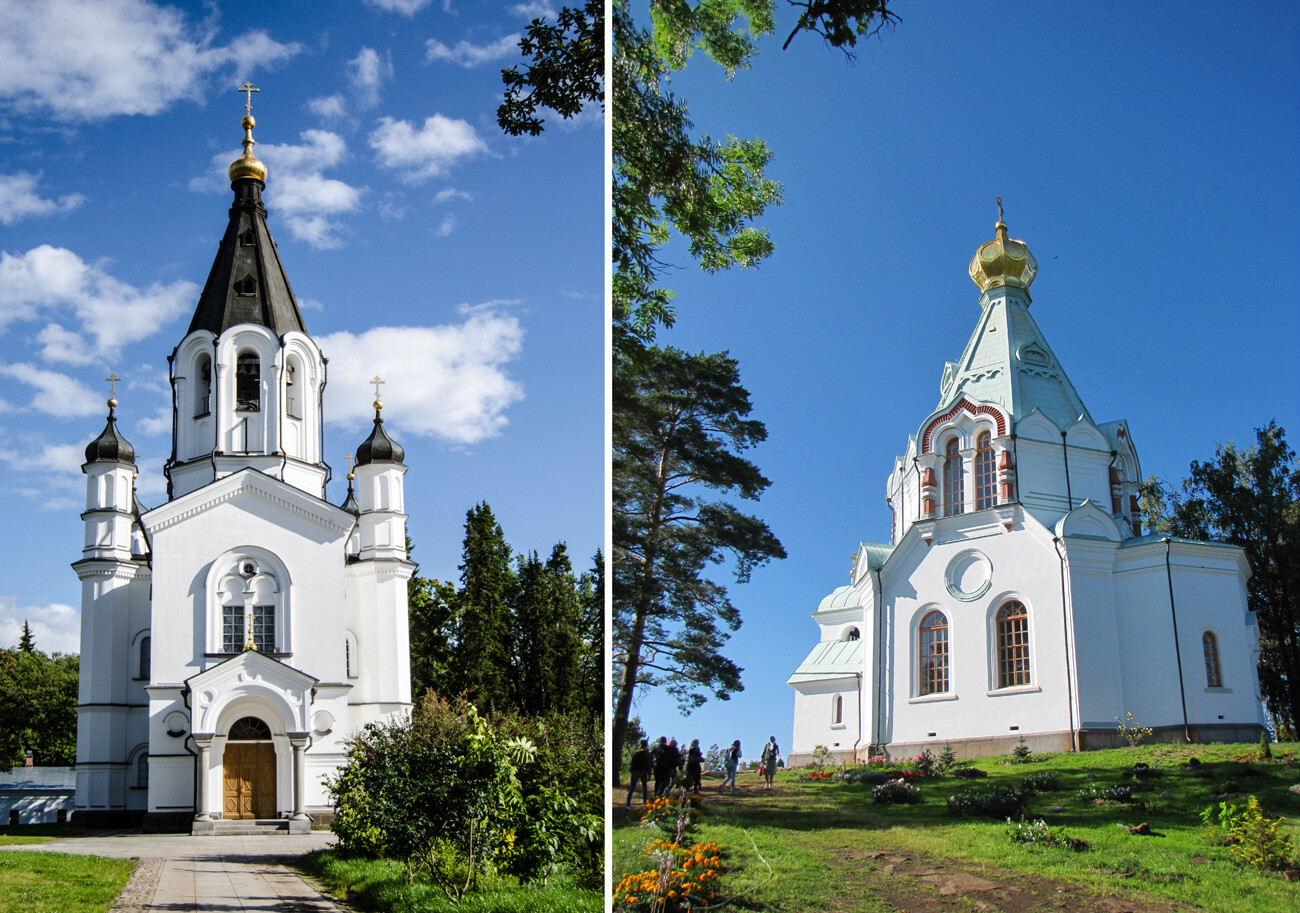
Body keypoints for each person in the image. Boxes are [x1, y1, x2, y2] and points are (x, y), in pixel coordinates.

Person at [627, 739, 652, 807]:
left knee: (632, 788)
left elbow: (632, 763)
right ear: (646, 745)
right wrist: (649, 773)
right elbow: (648, 764)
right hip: (643, 772)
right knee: (644, 787)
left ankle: (628, 805)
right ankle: (644, 803)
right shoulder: (647, 753)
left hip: (635, 771)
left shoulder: (636, 752)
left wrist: (632, 770)